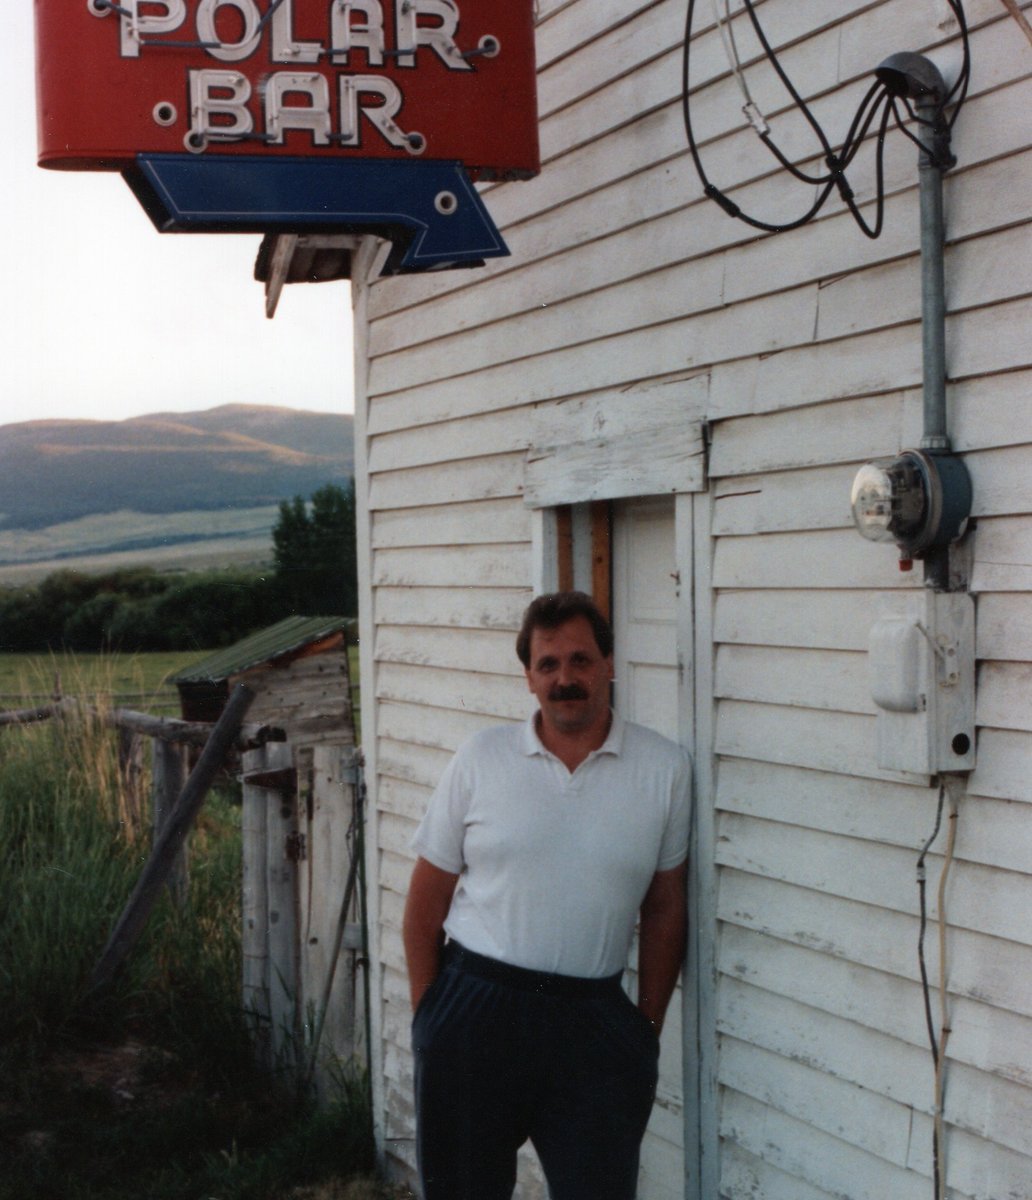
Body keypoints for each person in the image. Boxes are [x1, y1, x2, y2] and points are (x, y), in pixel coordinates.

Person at [402, 590, 692, 1200]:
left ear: (610, 664)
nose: (567, 678)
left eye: (581, 660)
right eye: (549, 665)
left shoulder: (663, 769)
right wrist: (431, 1018)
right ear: (529, 678)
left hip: (594, 1022)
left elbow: (664, 909)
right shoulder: (481, 759)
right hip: (475, 1012)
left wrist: (645, 1028)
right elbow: (425, 903)